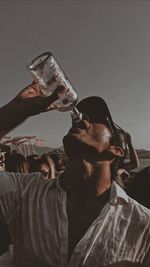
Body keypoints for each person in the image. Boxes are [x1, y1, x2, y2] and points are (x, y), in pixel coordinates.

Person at [0, 82, 149, 267]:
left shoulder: (143, 227)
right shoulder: (25, 193)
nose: (81, 119)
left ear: (116, 150)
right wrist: (16, 111)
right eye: (80, 116)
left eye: (97, 119)